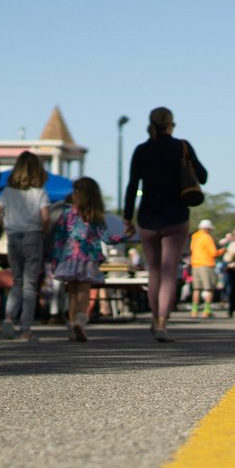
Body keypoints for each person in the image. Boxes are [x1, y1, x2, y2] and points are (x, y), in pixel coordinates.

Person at [123, 106, 207, 342]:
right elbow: (203, 176)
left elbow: (132, 187)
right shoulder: (182, 146)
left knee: (154, 272)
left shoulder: (141, 150)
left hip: (148, 218)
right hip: (176, 216)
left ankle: (154, 318)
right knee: (170, 271)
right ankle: (162, 322)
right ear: (172, 123)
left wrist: (127, 218)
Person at [50, 177, 123, 342]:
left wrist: (55, 260)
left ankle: (71, 325)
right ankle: (80, 322)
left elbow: (59, 238)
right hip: (87, 259)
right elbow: (107, 238)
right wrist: (123, 237)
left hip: (68, 258)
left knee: (72, 294)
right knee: (84, 292)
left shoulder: (67, 214)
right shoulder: (95, 215)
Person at [0, 150, 49, 341]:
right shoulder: (40, 193)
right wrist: (43, 230)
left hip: (13, 237)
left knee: (17, 281)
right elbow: (46, 218)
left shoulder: (7, 192)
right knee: (30, 285)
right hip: (33, 237)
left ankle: (8, 317)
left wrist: (6, 225)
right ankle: (25, 329)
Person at [189, 219, 223, 318]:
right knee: (208, 289)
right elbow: (214, 253)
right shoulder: (207, 237)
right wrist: (223, 250)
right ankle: (206, 310)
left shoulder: (195, 237)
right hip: (206, 265)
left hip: (195, 265)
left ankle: (194, 310)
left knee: (196, 289)